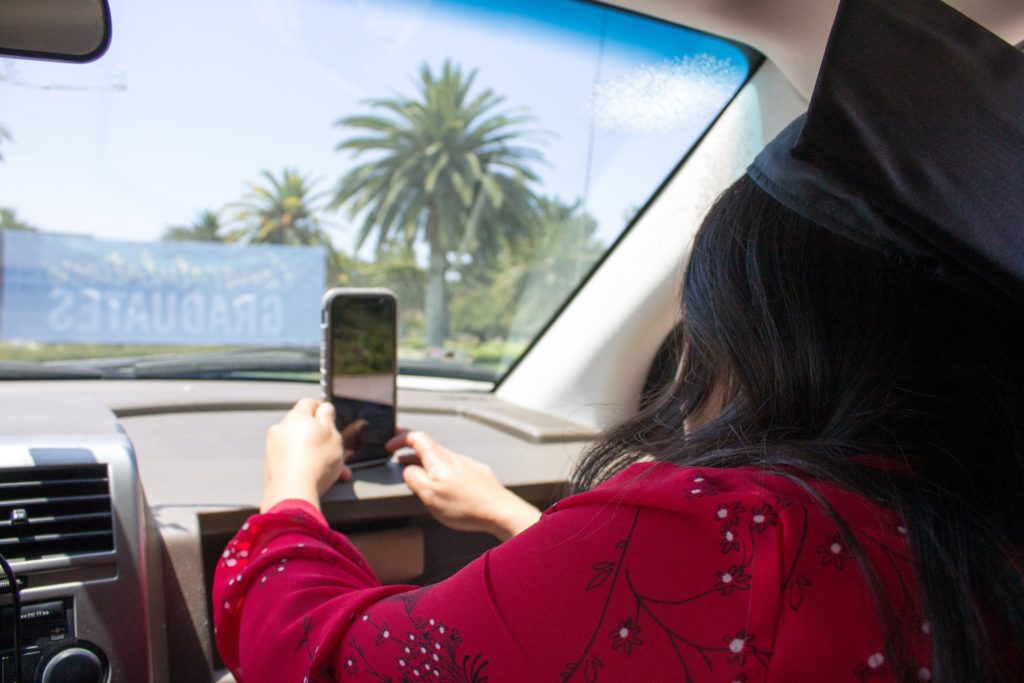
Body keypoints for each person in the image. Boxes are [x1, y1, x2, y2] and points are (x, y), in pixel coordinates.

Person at [213, 0, 1024, 680]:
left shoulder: (745, 529)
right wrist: (508, 513)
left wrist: (288, 498)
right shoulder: (976, 536)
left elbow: (339, 660)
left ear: (771, 336)